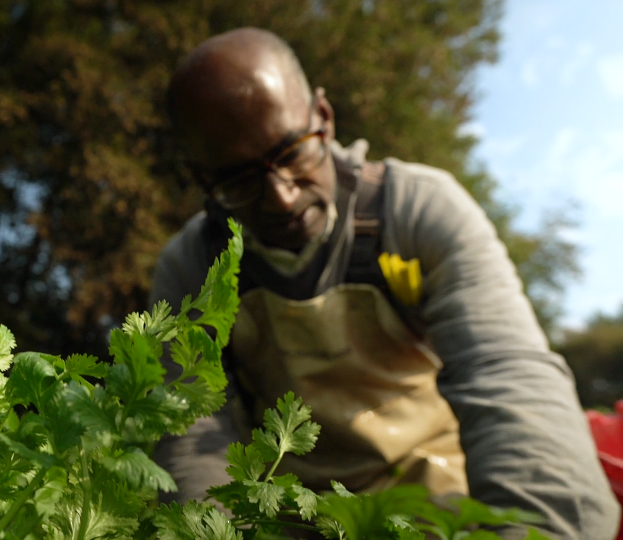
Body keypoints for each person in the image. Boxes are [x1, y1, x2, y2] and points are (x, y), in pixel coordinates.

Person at [148, 27, 620, 539]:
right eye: (239, 180)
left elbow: (505, 374)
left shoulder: (416, 210)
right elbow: (192, 432)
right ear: (202, 178)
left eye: (292, 153)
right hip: (300, 519)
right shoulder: (193, 268)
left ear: (324, 120)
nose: (281, 197)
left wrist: (533, 530)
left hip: (441, 500)